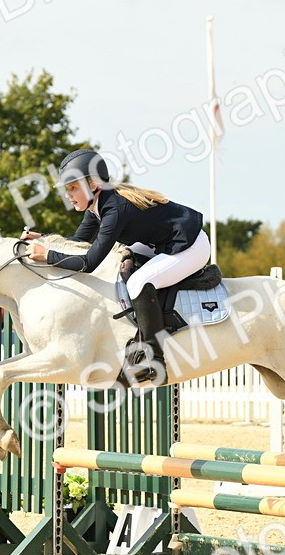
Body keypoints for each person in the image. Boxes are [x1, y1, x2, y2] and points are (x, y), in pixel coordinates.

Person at [23, 149, 210, 383]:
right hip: (160, 242)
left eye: (73, 187)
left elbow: (88, 263)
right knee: (121, 263)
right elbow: (78, 243)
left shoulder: (114, 208)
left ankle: (153, 360)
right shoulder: (98, 204)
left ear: (93, 184)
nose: (68, 195)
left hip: (190, 245)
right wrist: (44, 240)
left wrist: (48, 255)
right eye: (67, 189)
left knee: (139, 282)